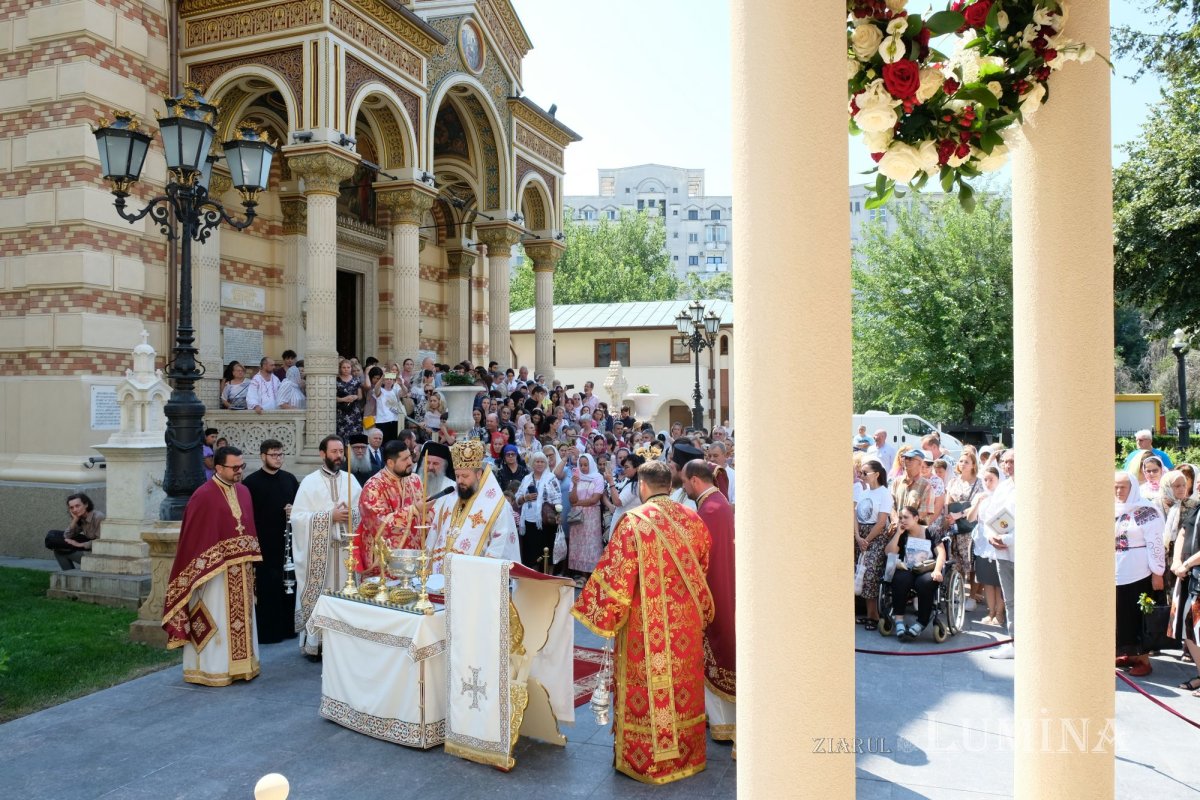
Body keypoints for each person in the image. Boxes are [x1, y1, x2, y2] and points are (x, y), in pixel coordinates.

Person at [572, 460, 714, 785]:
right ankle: (688, 754)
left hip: (645, 628)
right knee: (683, 687)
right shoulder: (692, 519)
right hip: (686, 625)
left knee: (650, 690)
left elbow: (615, 581)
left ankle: (649, 759)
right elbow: (702, 567)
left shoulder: (634, 522)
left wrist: (598, 613)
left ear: (642, 486)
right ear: (670, 484)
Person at [162, 446, 262, 685]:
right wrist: (209, 563)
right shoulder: (203, 495)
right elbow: (193, 541)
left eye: (241, 466)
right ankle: (213, 670)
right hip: (213, 574)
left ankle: (243, 667)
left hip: (242, 570)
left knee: (243, 620)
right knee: (216, 618)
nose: (239, 471)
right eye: (234, 467)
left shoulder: (244, 492)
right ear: (218, 467)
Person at [681, 459, 737, 747]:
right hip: (722, 586)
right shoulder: (719, 503)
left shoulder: (710, 510)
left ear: (695, 480)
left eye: (684, 482)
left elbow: (697, 557)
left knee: (715, 647)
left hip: (712, 592)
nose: (683, 487)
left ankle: (723, 723)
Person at [291, 435, 363, 658]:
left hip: (345, 554)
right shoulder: (309, 482)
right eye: (334, 452)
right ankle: (318, 643)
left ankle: (346, 641)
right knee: (323, 596)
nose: (339, 456)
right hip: (321, 557)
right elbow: (298, 518)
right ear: (322, 454)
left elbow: (362, 512)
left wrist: (350, 514)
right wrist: (329, 516)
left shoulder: (351, 480)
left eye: (341, 451)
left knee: (347, 596)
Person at [424, 438, 520, 572]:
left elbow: (501, 547)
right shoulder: (451, 499)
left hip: (474, 577)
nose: (460, 481)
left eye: (465, 476)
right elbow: (434, 535)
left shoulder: (498, 506)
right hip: (440, 577)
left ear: (479, 474)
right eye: (457, 476)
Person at [241, 439, 300, 645]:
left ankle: (289, 629)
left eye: (281, 454)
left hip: (287, 543)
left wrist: (294, 510)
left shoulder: (290, 479)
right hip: (264, 544)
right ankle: (268, 633)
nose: (278, 459)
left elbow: (301, 507)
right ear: (262, 456)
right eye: (273, 455)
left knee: (288, 586)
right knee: (268, 588)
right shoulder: (251, 483)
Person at [1114, 471, 1166, 676]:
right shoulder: (1110, 508)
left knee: (1139, 616)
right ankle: (1127, 653)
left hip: (1139, 573)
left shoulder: (1147, 511)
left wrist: (1157, 572)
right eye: (1115, 486)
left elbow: (1155, 544)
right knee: (1120, 615)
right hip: (1116, 572)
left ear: (1133, 487)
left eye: (1123, 487)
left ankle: (1143, 660)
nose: (1118, 491)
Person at [355, 439, 425, 577]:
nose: (410, 462)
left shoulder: (415, 480)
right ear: (391, 463)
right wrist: (413, 510)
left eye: (410, 456)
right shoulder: (373, 486)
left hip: (413, 556)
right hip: (384, 560)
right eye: (404, 459)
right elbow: (377, 523)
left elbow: (424, 513)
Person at [885, 505, 948, 642]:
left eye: (906, 517)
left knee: (924, 582)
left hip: (926, 569)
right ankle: (899, 620)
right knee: (900, 579)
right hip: (907, 569)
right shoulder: (903, 533)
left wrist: (937, 570)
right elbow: (889, 553)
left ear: (916, 518)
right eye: (900, 518)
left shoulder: (931, 531)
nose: (902, 520)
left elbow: (941, 553)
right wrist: (898, 534)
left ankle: (921, 622)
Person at [854, 460, 893, 630]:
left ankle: (874, 616)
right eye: (860, 473)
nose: (861, 476)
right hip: (861, 535)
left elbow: (881, 522)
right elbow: (854, 515)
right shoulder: (863, 493)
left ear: (876, 474)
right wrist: (857, 536)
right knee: (860, 574)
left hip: (876, 537)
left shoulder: (885, 494)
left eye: (865, 473)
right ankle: (869, 614)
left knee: (870, 575)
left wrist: (866, 540)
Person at [967, 466, 1006, 628]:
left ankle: (1000, 613)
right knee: (988, 581)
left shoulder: (1004, 496)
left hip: (998, 540)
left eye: (991, 479)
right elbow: (970, 518)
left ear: (999, 480)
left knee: (999, 582)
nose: (988, 483)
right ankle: (991, 612)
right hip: (983, 543)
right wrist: (978, 502)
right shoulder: (980, 496)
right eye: (985, 479)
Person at [987, 449, 1017, 659]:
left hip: (1020, 552)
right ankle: (1014, 642)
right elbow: (991, 515)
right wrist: (991, 536)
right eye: (1005, 462)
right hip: (1002, 553)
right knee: (1010, 600)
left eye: (1012, 461)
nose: (1008, 466)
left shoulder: (1032, 487)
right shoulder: (1003, 487)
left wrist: (1007, 539)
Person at [515, 450, 562, 570]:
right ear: (532, 463)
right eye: (537, 462)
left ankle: (548, 576)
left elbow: (557, 497)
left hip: (547, 521)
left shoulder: (551, 478)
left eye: (542, 462)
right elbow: (517, 499)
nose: (539, 464)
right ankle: (533, 576)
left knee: (548, 551)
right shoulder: (526, 479)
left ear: (546, 464)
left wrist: (558, 513)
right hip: (529, 521)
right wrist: (525, 498)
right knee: (531, 553)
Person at [568, 453, 606, 580]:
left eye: (586, 465)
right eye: (581, 465)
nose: (583, 467)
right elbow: (571, 500)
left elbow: (594, 499)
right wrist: (574, 485)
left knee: (591, 544)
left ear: (591, 464)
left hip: (592, 517)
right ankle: (582, 576)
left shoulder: (598, 478)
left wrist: (578, 503)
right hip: (577, 516)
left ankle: (593, 576)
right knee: (579, 545)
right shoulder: (575, 478)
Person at [46, 493, 105, 571]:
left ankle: (73, 571)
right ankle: (68, 573)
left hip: (98, 547)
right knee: (54, 537)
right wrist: (75, 520)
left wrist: (79, 544)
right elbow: (67, 536)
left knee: (54, 541)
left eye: (77, 506)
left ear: (86, 505)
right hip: (88, 541)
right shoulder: (80, 517)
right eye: (72, 507)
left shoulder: (98, 517)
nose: (74, 510)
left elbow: (101, 542)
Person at [668, 441, 703, 511]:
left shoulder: (695, 503)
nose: (669, 473)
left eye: (672, 468)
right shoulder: (679, 492)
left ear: (682, 471)